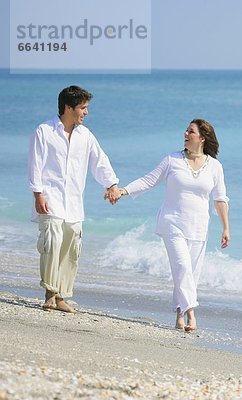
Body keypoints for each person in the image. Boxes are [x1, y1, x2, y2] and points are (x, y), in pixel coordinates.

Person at [116, 118, 230, 331]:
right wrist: (124, 190)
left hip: (199, 226)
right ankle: (191, 313)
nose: (186, 134)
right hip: (172, 222)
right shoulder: (172, 160)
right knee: (182, 266)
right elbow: (149, 180)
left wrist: (226, 227)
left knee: (191, 272)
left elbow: (220, 198)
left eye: (191, 132)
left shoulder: (215, 167)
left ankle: (179, 312)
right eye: (186, 131)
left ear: (202, 138)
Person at [28, 85, 121, 313]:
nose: (86, 112)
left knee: (71, 249)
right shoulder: (44, 131)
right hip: (50, 198)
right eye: (83, 107)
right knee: (52, 243)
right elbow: (36, 164)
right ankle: (50, 293)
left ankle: (61, 297)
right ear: (68, 107)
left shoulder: (85, 135)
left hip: (74, 203)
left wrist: (111, 185)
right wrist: (37, 193)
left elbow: (99, 160)